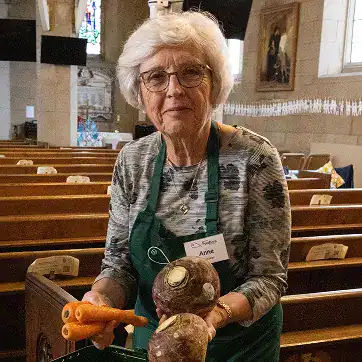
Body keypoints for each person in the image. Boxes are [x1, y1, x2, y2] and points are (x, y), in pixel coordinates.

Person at [82, 11, 291, 361]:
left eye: (191, 72)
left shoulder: (254, 160)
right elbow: (119, 265)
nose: (174, 89)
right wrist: (101, 301)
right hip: (157, 343)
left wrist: (214, 318)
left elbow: (269, 278)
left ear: (215, 83)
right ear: (140, 91)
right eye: (156, 77)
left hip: (239, 347)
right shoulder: (132, 163)